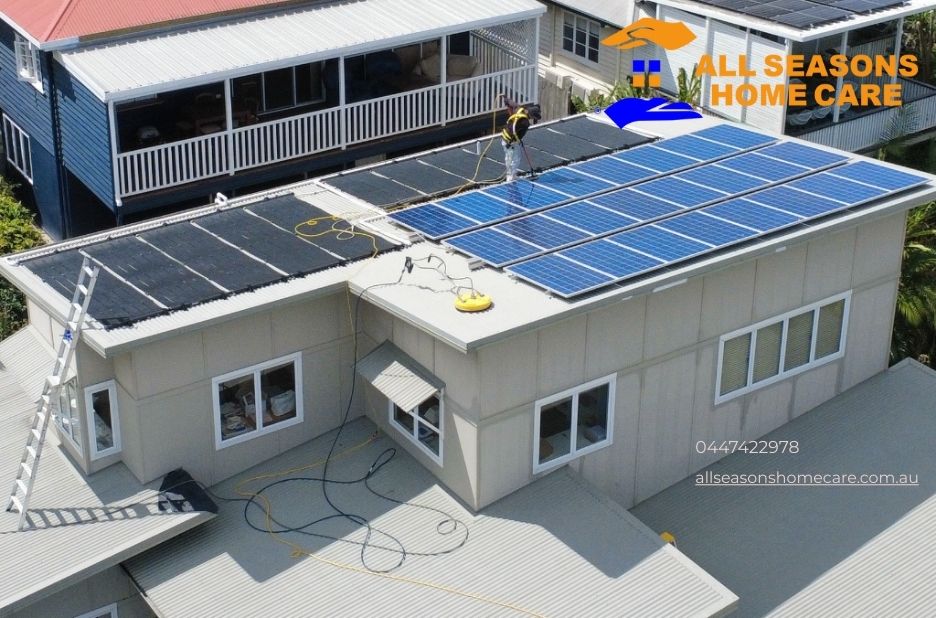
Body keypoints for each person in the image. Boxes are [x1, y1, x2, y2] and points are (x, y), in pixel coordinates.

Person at [500, 97, 541, 181]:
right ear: (531, 115)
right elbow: (517, 134)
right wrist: (516, 141)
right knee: (515, 159)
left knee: (509, 157)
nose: (532, 119)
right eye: (533, 117)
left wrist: (506, 100)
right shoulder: (525, 123)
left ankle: (510, 175)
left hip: (504, 137)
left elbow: (512, 103)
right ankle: (511, 177)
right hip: (510, 142)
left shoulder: (519, 109)